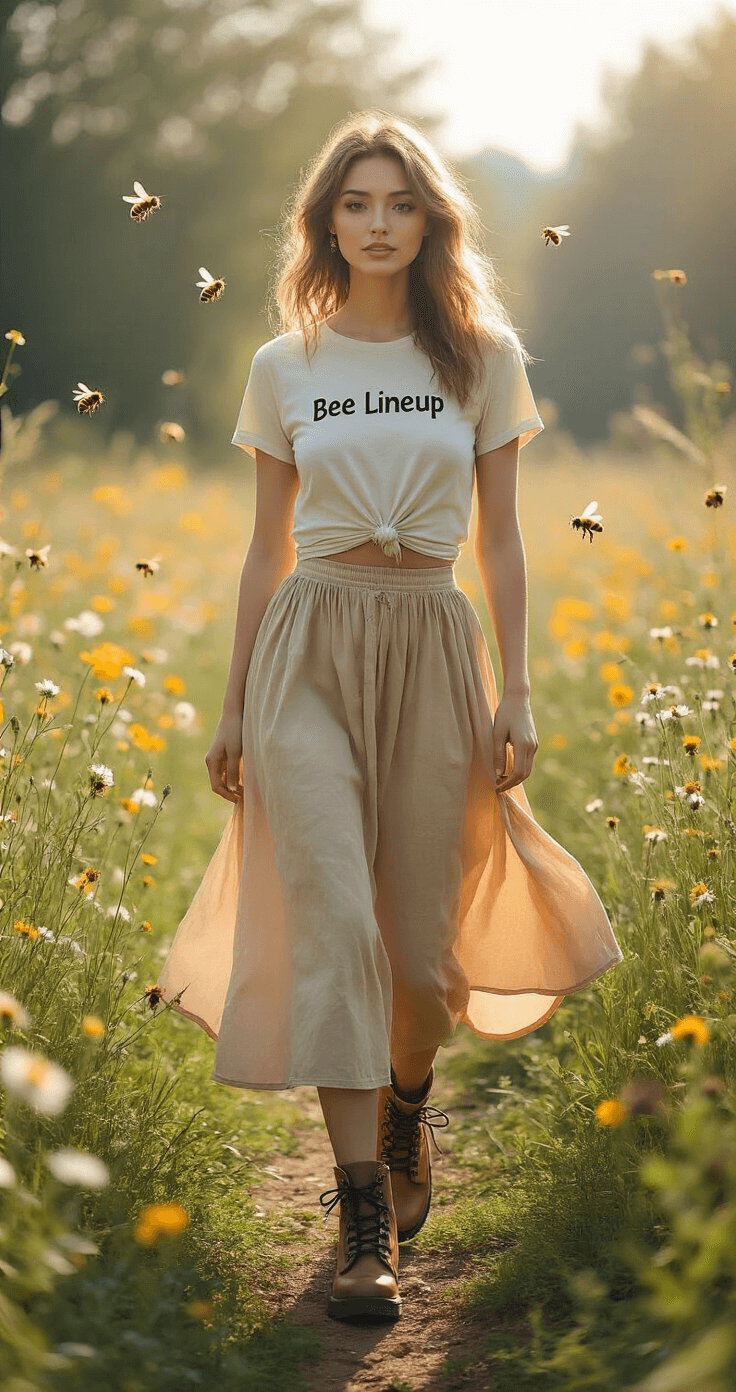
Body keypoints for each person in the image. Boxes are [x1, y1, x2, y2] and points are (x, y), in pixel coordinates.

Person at [158, 110, 622, 1324]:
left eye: (399, 204)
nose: (376, 224)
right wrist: (232, 706)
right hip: (308, 646)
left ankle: (407, 1104)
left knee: (418, 956)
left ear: (429, 222)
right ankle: (363, 1219)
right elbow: (262, 552)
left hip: (430, 642)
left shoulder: (480, 356)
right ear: (326, 223)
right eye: (355, 205)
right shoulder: (285, 363)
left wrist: (517, 688)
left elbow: (503, 541)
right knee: (334, 917)